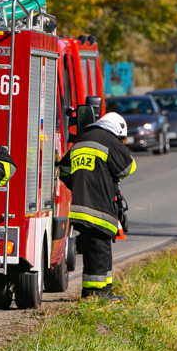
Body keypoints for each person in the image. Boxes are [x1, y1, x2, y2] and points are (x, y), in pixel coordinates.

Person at [58, 111, 136, 300]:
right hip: (99, 207)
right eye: (122, 139)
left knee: (93, 249)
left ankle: (94, 292)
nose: (122, 142)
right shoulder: (109, 141)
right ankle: (99, 294)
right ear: (117, 130)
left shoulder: (81, 140)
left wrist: (78, 183)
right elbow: (128, 167)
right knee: (100, 250)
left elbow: (64, 170)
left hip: (79, 208)